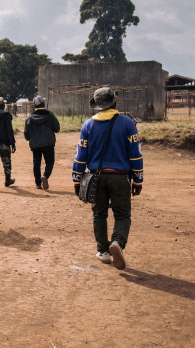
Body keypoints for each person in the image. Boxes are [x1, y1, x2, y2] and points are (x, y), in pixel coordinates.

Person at [72, 87, 143, 270]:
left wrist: (77, 179)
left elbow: (81, 155)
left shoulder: (88, 125)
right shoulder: (127, 124)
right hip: (120, 178)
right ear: (114, 102)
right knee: (122, 214)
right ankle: (117, 242)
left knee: (99, 214)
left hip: (96, 178)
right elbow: (135, 154)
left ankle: (103, 251)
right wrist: (138, 179)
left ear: (97, 106)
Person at [24, 96, 60, 189]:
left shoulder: (29, 118)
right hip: (48, 144)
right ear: (43, 104)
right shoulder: (50, 115)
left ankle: (38, 184)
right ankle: (45, 176)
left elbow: (26, 135)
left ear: (34, 106)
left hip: (35, 145)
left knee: (36, 163)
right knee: (50, 162)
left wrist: (31, 138)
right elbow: (57, 129)